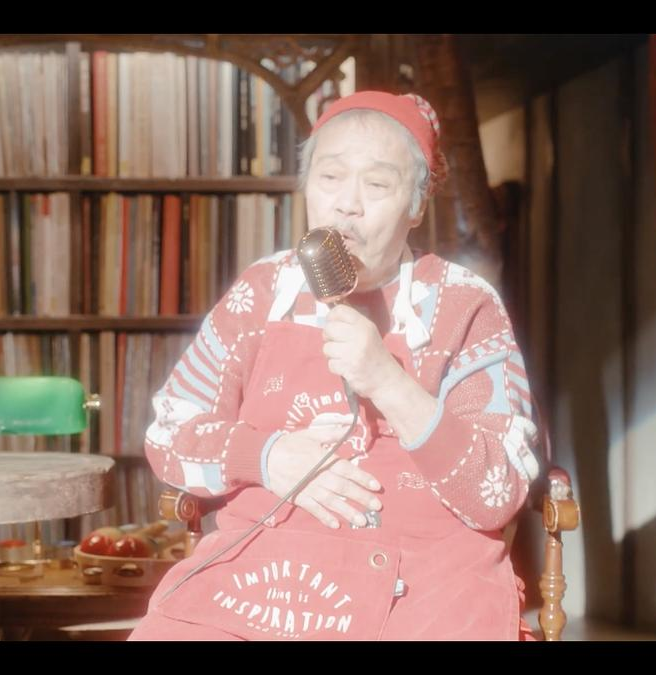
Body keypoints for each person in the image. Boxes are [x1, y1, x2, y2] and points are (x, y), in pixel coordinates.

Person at [128, 90, 542, 641]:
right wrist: (269, 456)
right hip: (267, 572)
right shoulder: (263, 292)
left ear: (417, 207)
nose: (348, 204)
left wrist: (388, 381)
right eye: (330, 177)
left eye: (377, 185)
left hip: (425, 583)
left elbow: (497, 490)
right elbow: (168, 435)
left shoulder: (464, 304)